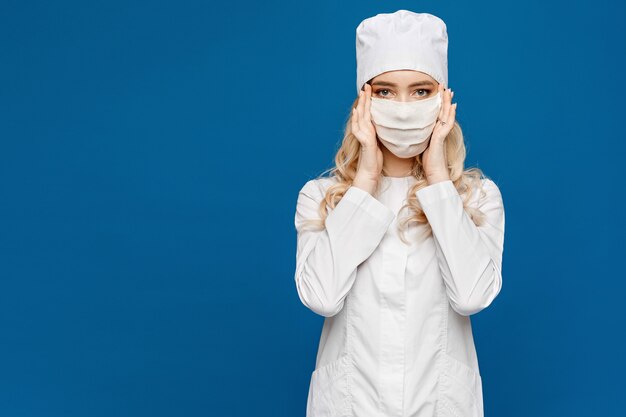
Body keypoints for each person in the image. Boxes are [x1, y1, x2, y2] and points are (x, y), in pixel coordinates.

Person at [293, 9, 505, 417]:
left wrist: (439, 177)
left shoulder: (476, 200)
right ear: (364, 101)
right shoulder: (322, 198)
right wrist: (367, 178)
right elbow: (320, 297)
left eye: (421, 91)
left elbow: (472, 296)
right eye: (386, 91)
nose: (404, 108)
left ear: (444, 100)